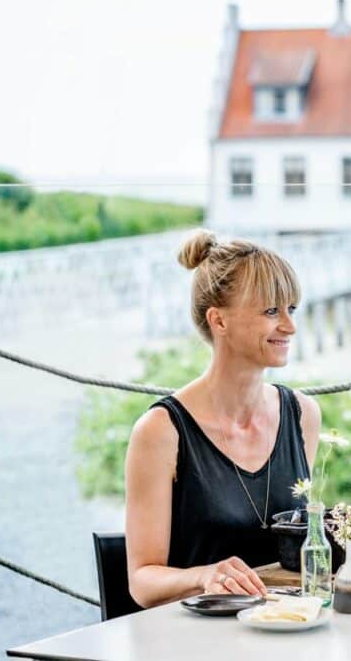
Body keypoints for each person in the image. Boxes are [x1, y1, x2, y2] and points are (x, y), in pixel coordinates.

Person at [124, 230, 321, 607]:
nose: (290, 326)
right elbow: (142, 581)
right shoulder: (161, 430)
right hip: (199, 631)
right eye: (271, 311)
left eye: (291, 309)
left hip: (286, 625)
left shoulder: (303, 415)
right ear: (219, 320)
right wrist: (204, 576)